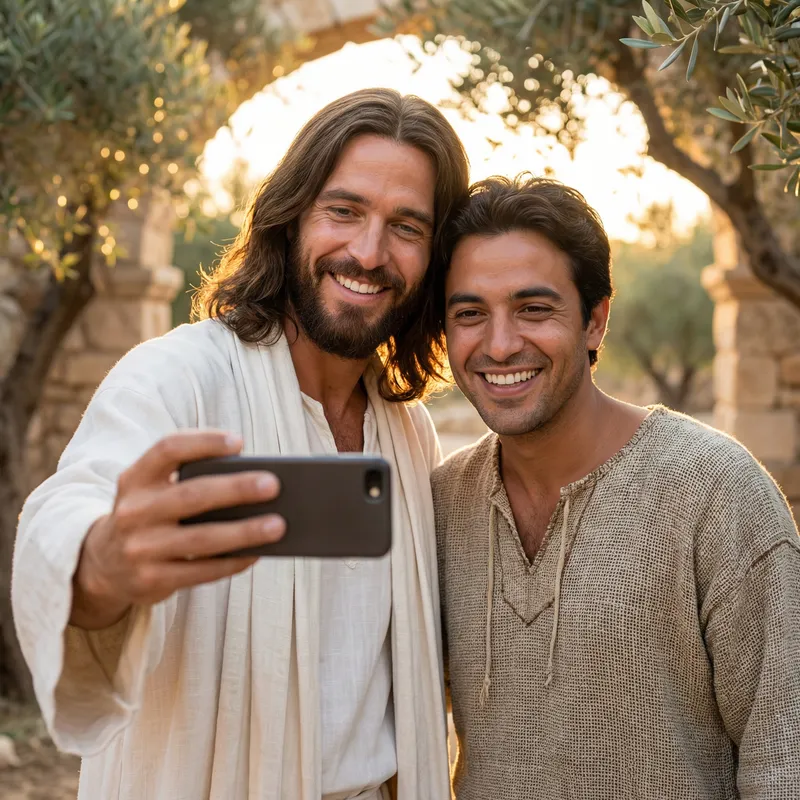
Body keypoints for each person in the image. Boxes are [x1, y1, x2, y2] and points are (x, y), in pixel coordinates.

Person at [13, 88, 469, 800]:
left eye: (405, 227)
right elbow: (68, 510)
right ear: (291, 221)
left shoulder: (408, 432)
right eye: (343, 211)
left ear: (433, 259)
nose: (368, 251)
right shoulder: (180, 377)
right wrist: (103, 564)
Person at [432, 175, 800, 799]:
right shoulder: (438, 508)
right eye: (470, 314)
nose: (499, 344)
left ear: (595, 321)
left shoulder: (717, 495)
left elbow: (784, 759)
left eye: (534, 308)